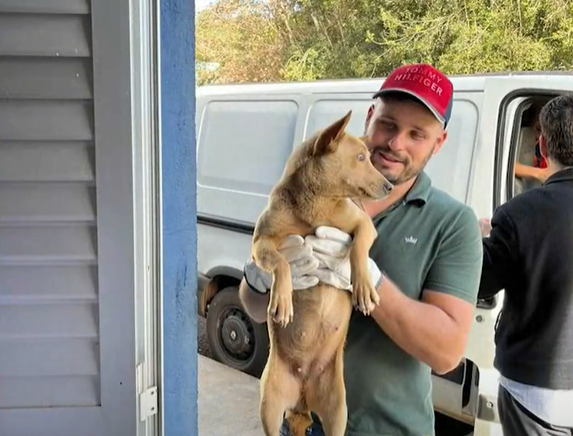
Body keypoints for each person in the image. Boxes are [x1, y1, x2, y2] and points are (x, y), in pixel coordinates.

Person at [239, 63, 484, 436]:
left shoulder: (452, 223)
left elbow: (446, 352)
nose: (395, 143)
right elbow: (255, 308)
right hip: (301, 422)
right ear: (369, 118)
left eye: (416, 134)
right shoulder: (311, 194)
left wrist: (369, 279)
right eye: (387, 124)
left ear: (439, 143)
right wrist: (260, 276)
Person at [478, 94, 573, 436]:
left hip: (532, 391)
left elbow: (480, 284)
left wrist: (480, 241)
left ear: (542, 145)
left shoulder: (519, 213)